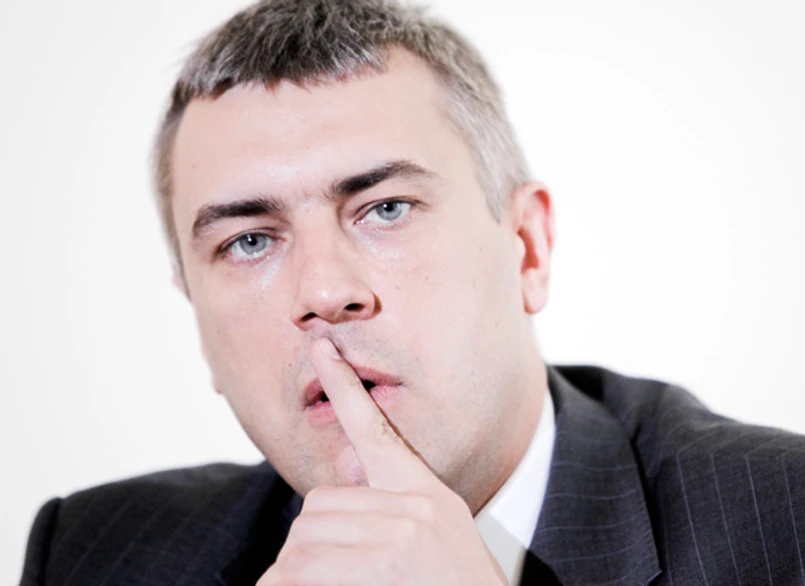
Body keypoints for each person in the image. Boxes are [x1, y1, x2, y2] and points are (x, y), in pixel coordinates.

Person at [18, 0, 805, 584]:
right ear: (198, 323)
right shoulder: (94, 553)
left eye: (385, 208)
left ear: (527, 247)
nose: (323, 292)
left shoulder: (785, 523)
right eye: (249, 240)